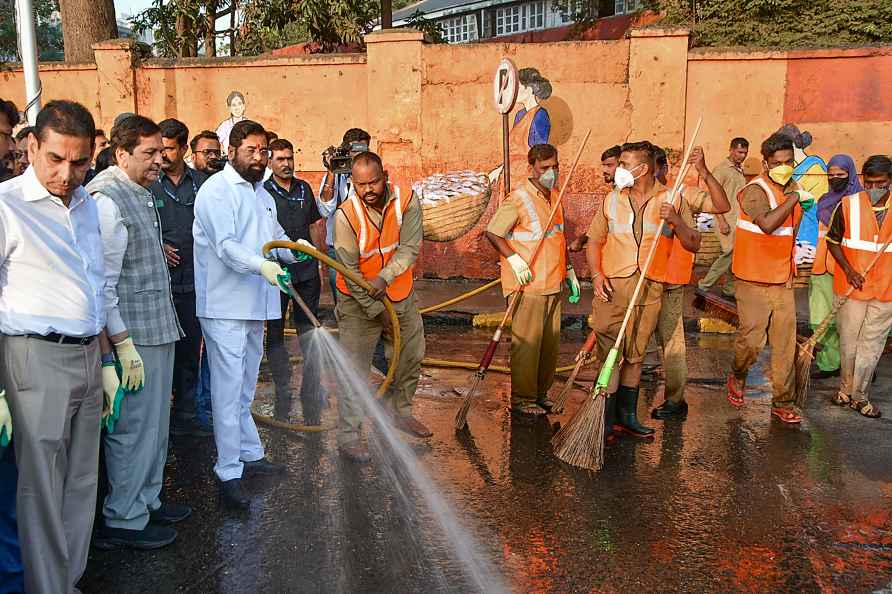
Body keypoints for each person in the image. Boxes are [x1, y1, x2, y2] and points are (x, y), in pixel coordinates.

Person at [0, 100, 107, 594]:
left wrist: (109, 354)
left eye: (80, 161)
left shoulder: (87, 205)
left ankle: (69, 581)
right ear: (31, 147)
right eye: (56, 159)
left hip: (87, 355)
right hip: (33, 359)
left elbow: (97, 282)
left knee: (82, 483)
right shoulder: (6, 205)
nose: (67, 173)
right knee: (40, 490)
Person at [88, 115, 189, 549]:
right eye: (148, 154)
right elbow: (103, 286)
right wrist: (120, 347)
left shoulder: (139, 193)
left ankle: (147, 499)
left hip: (157, 326)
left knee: (156, 424)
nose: (159, 161)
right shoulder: (108, 199)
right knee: (133, 428)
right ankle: (124, 516)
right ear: (121, 154)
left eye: (160, 152)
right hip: (134, 334)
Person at [193, 119, 296, 509]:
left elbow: (274, 238)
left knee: (246, 387)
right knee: (226, 388)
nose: (259, 158)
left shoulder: (262, 194)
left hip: (258, 304)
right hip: (225, 307)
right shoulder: (216, 191)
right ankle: (228, 470)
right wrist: (263, 266)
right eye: (251, 150)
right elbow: (227, 247)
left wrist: (293, 249)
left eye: (263, 151)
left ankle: (251, 455)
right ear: (232, 150)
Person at [587, 140, 699, 442]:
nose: (618, 170)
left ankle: (627, 417)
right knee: (611, 354)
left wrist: (675, 220)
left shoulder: (672, 200)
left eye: (624, 164)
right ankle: (604, 421)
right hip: (614, 288)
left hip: (649, 287)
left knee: (635, 356)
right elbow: (594, 241)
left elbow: (693, 242)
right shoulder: (612, 200)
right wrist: (596, 275)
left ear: (643, 168)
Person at [334, 151, 430, 462]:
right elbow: (349, 271)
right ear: (353, 183)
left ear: (385, 176)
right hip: (356, 300)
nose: (368, 190)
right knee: (355, 370)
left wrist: (385, 278)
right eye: (360, 185)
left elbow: (410, 247)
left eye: (373, 182)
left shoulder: (407, 201)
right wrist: (379, 313)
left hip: (399, 292)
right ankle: (349, 435)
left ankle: (399, 413)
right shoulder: (345, 216)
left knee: (410, 355)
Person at [485, 144, 580, 417]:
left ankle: (540, 393)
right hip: (527, 284)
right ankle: (523, 398)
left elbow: (558, 238)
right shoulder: (519, 198)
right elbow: (493, 232)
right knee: (528, 345)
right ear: (532, 168)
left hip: (552, 281)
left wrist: (570, 270)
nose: (551, 173)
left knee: (549, 345)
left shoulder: (555, 198)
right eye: (545, 168)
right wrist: (514, 260)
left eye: (555, 167)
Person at [726, 133, 813, 425]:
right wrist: (795, 199)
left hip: (781, 278)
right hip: (751, 277)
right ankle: (738, 374)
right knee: (751, 341)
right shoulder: (755, 190)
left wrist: (804, 200)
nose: (785, 167)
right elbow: (767, 224)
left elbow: (792, 230)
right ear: (765, 163)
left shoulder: (794, 188)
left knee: (785, 344)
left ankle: (783, 401)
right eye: (778, 163)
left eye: (789, 162)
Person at [650, 145, 730, 420]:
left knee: (672, 344)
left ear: (662, 168)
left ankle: (675, 399)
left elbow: (722, 206)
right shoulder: (628, 197)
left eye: (652, 167)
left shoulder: (681, 194)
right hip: (638, 280)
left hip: (669, 280)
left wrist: (704, 172)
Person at [150, 118, 211, 438]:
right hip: (159, 285)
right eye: (159, 149)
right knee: (160, 353)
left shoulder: (203, 183)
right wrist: (157, 245)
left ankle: (187, 413)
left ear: (184, 148)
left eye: (170, 149)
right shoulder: (148, 182)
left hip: (194, 283)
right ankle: (160, 415)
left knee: (190, 350)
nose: (162, 156)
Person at [262, 138, 324, 424]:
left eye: (290, 158)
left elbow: (314, 224)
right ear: (270, 162)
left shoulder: (304, 189)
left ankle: (311, 388)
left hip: (307, 272)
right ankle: (283, 386)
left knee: (309, 330)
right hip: (277, 273)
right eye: (280, 159)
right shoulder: (263, 193)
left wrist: (319, 256)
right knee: (275, 333)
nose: (286, 164)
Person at [825, 155, 892, 419]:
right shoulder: (848, 205)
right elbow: (832, 241)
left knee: (871, 346)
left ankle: (860, 396)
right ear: (863, 180)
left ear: (890, 182)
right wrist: (849, 270)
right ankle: (844, 389)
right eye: (871, 182)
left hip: (886, 289)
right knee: (849, 343)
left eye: (882, 183)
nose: (875, 188)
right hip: (851, 287)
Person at [810, 155, 863, 381]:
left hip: (846, 268)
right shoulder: (824, 199)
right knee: (821, 319)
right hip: (821, 267)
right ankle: (829, 364)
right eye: (830, 175)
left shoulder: (858, 202)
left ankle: (860, 367)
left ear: (850, 175)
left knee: (852, 322)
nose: (834, 179)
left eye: (840, 175)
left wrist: (852, 269)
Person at [317, 128, 371, 303]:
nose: (359, 158)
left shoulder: (372, 176)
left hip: (366, 250)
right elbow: (325, 210)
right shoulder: (335, 176)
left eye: (364, 152)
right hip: (338, 251)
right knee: (341, 301)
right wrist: (332, 170)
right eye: (355, 152)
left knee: (366, 299)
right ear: (346, 151)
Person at [698, 137, 749, 298]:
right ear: (731, 150)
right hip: (724, 219)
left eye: (745, 153)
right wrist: (721, 221)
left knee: (734, 255)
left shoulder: (739, 170)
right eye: (740, 152)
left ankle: (728, 287)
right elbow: (712, 196)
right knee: (728, 252)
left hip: (736, 219)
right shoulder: (721, 170)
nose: (742, 156)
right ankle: (704, 284)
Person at [569, 145, 622, 253]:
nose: (604, 170)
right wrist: (581, 239)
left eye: (609, 165)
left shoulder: (626, 195)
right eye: (604, 165)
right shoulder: (613, 195)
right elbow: (601, 227)